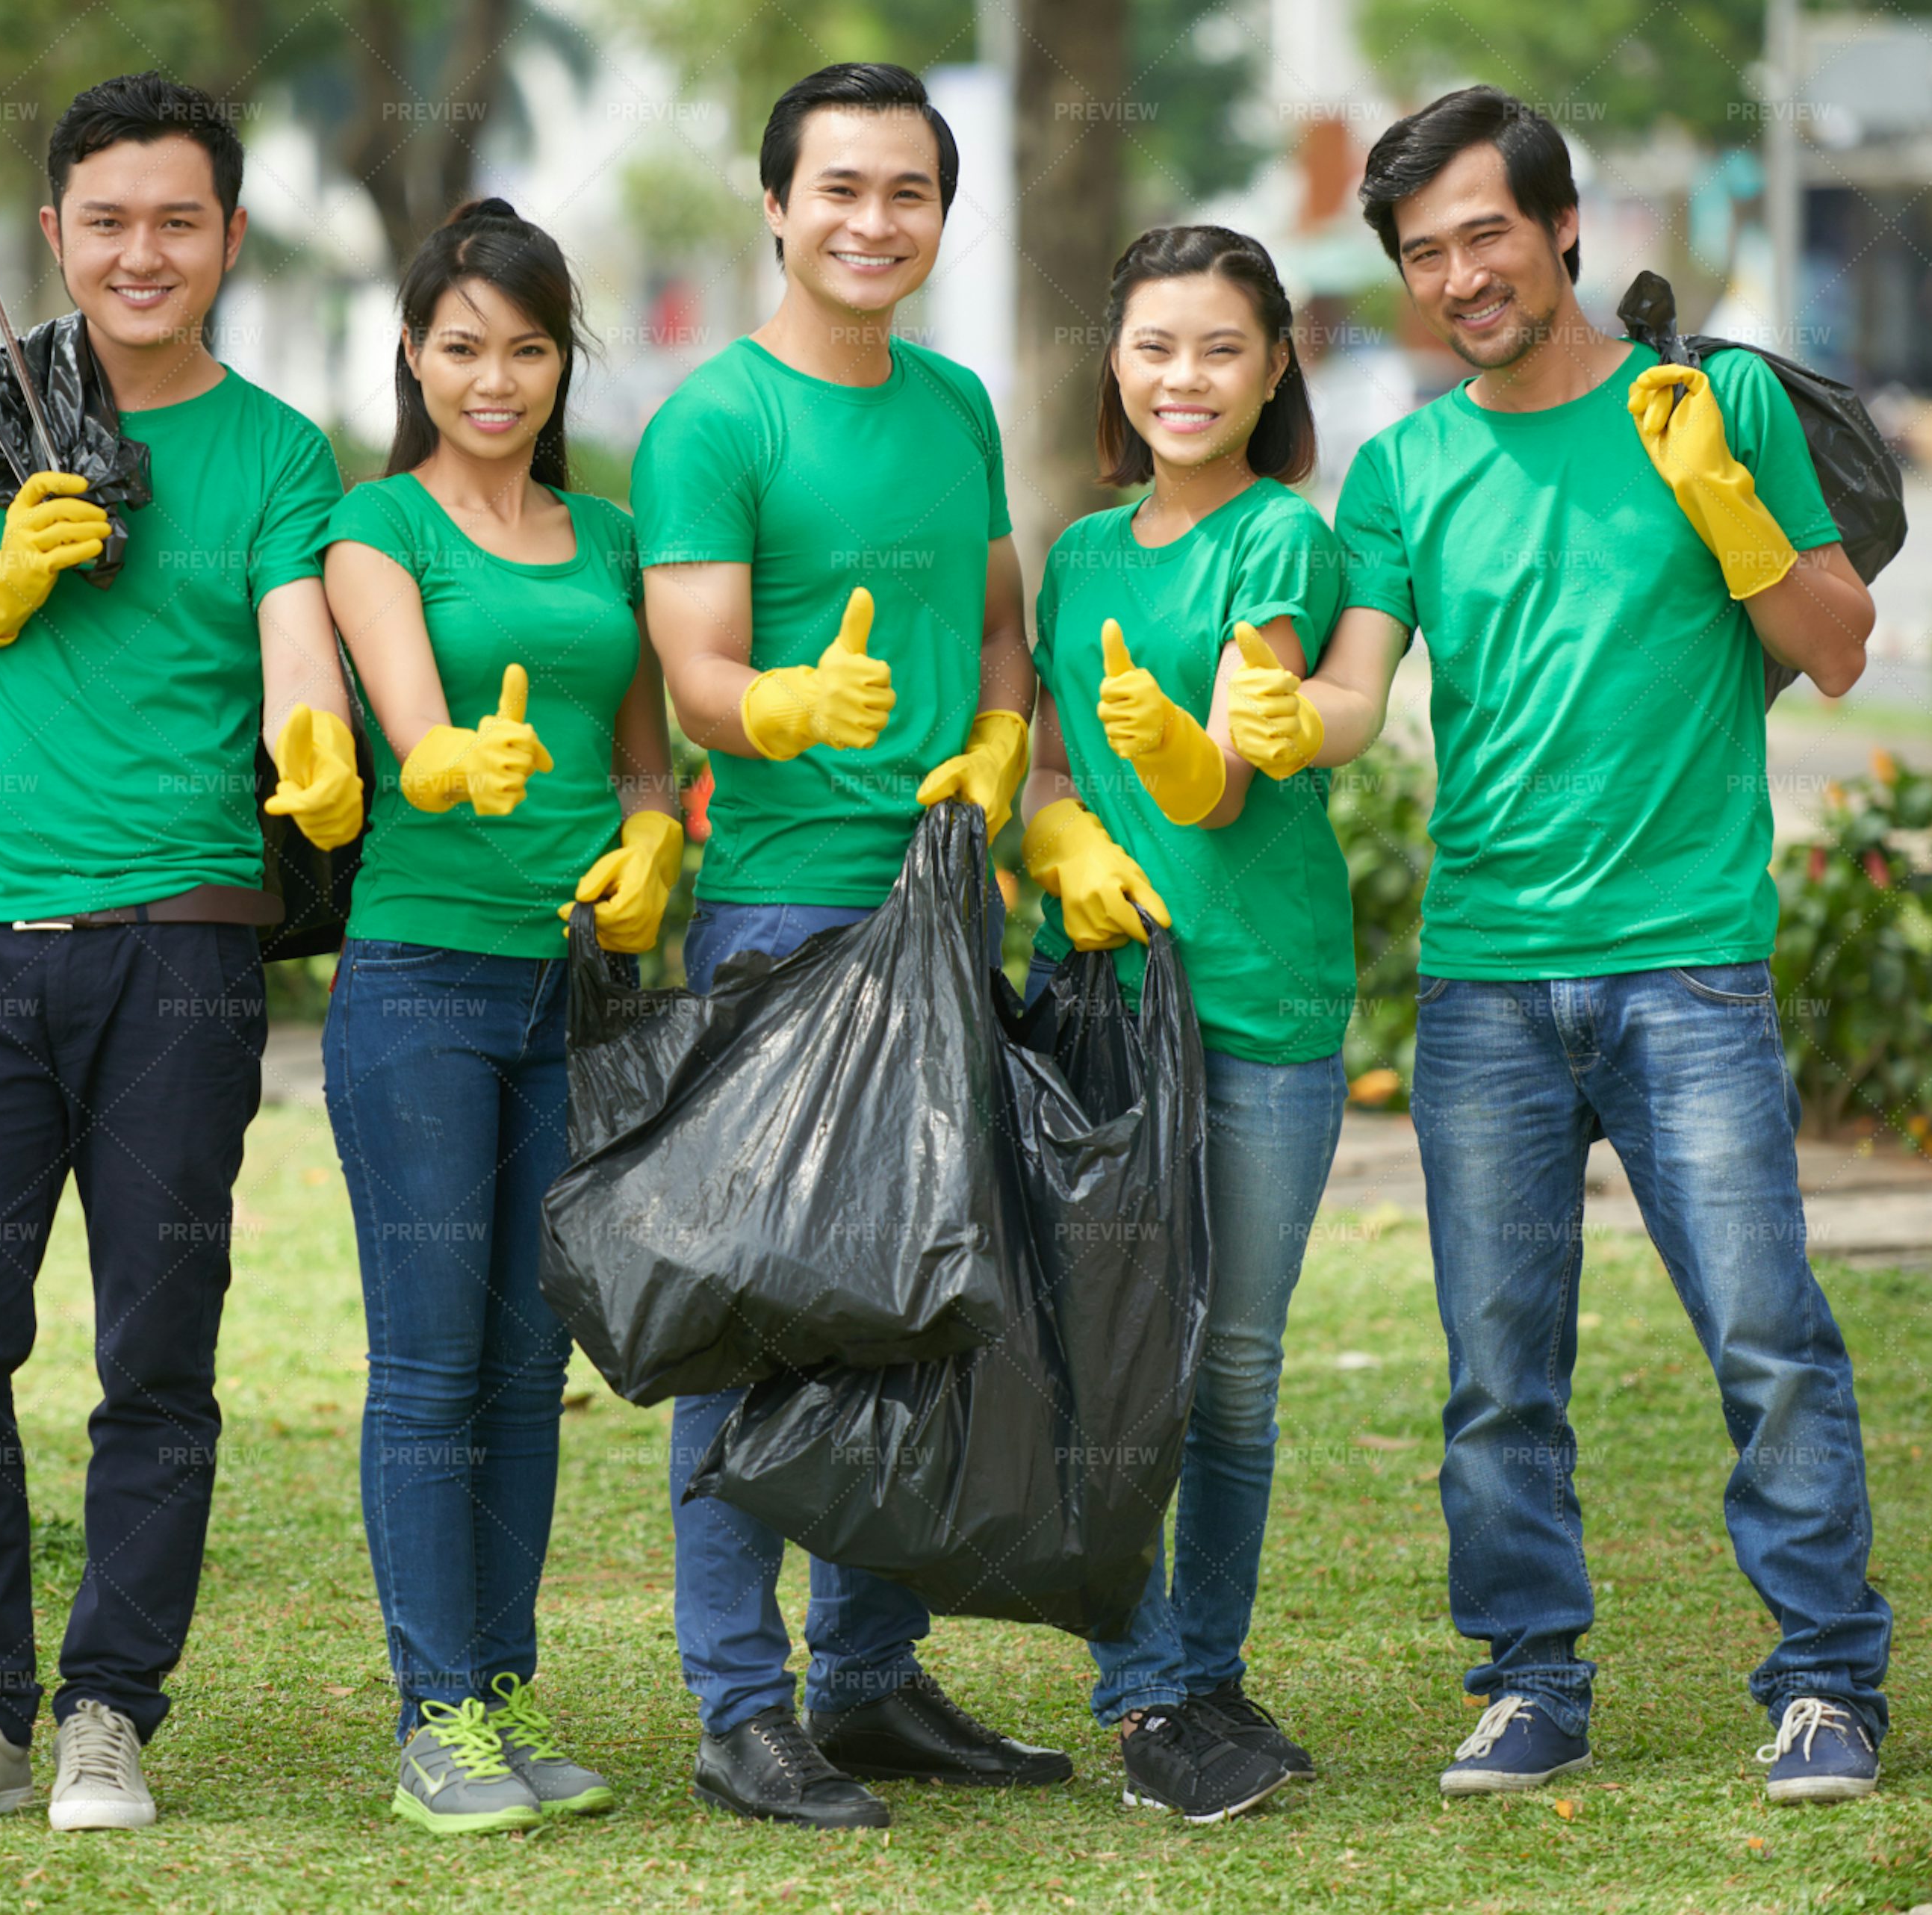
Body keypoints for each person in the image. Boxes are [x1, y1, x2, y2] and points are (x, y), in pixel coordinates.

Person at [1252, 84, 1889, 1803]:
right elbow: (1358, 694)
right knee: (1495, 1375)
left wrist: (1732, 507)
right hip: (1482, 986)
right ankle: (1532, 1677)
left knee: (1765, 1337)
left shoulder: (1716, 398)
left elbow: (1833, 647)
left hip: (1684, 961)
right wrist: (1259, 714)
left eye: (1488, 232)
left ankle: (1827, 1678)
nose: (1464, 274)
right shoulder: (1402, 467)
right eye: (1427, 251)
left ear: (1563, 231)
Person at [0, 73, 364, 1832]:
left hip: (186, 957)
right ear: (52, 235)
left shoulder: (280, 449)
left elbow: (297, 638)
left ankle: (106, 1714)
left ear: (227, 236)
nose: (144, 254)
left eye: (181, 222)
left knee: (159, 1341)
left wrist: (315, 741)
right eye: (110, 222)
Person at [633, 60, 1075, 1830]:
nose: (873, 222)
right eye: (841, 190)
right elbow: (698, 681)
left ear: (938, 217)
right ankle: (743, 1704)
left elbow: (996, 630)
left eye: (908, 192)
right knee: (763, 1317)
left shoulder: (956, 403)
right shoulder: (714, 421)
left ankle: (871, 1680)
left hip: (940, 903)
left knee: (923, 1304)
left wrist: (993, 744)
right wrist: (784, 704)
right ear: (777, 204)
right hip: (780, 915)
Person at [318, 198, 681, 1837]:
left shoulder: (610, 540)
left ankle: (506, 1685)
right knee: (431, 1362)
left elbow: (649, 760)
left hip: (575, 988)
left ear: (561, 361)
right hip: (423, 981)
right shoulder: (375, 528)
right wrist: (448, 755)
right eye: (462, 345)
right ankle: (434, 1712)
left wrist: (658, 842)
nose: (496, 376)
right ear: (414, 353)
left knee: (533, 1359)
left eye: (527, 348)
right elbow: (405, 722)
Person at [1014, 225, 1345, 1823]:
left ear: (1274, 364)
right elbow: (1060, 773)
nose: (1183, 378)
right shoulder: (1078, 557)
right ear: (1115, 365)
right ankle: (1146, 1694)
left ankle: (1201, 1670)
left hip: (1262, 1004)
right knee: (1116, 1361)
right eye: (1153, 346)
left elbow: (1235, 770)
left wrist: (1180, 751)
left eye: (1220, 347)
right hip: (1110, 1010)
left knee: (1234, 1365)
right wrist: (1066, 820)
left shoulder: (1280, 540)